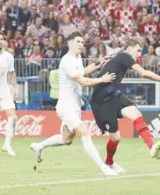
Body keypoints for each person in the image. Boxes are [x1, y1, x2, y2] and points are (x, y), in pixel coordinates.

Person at [30, 32, 118, 176]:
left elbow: (83, 71)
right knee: (84, 132)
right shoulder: (68, 60)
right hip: (65, 106)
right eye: (78, 41)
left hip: (75, 106)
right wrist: (102, 79)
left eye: (82, 42)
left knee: (66, 139)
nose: (81, 44)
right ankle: (104, 168)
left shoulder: (77, 58)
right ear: (70, 43)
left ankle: (39, 146)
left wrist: (98, 65)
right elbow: (82, 80)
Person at [90, 40, 160, 170]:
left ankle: (152, 147)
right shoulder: (125, 56)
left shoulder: (115, 55)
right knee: (116, 138)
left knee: (136, 115)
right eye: (137, 50)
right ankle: (109, 163)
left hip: (113, 94)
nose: (139, 54)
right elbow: (144, 73)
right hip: (102, 100)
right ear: (129, 48)